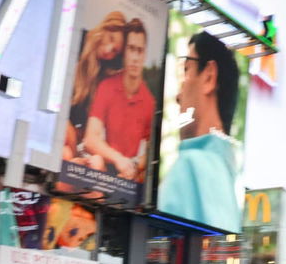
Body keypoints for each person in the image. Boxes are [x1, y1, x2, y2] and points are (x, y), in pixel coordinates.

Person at [157, 31, 242, 230]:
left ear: (209, 77)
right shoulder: (228, 177)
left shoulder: (190, 165)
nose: (179, 95)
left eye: (186, 70)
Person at [80, 18, 156, 182]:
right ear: (124, 53)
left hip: (129, 181)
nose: (135, 57)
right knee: (95, 162)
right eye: (131, 49)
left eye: (140, 50)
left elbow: (151, 152)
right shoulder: (107, 87)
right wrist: (119, 159)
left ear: (145, 54)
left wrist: (135, 166)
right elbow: (91, 139)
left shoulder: (150, 102)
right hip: (104, 170)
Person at [63, 12, 126, 163]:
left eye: (114, 51)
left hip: (70, 141)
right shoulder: (75, 39)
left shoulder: (101, 76)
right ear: (105, 28)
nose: (108, 50)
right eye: (110, 38)